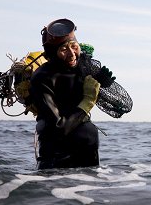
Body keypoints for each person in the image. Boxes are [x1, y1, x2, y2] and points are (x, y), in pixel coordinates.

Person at [29, 18, 113, 169]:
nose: (72, 54)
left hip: (89, 161)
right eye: (63, 50)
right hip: (55, 162)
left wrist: (102, 82)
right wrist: (87, 102)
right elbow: (59, 127)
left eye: (74, 46)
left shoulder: (83, 66)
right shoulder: (42, 78)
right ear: (52, 53)